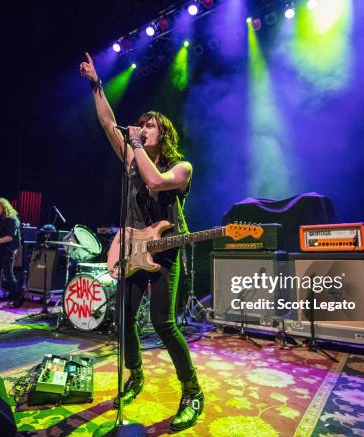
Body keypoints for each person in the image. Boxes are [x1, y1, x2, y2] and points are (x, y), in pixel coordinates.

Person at [79, 52, 203, 431]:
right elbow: (106, 122)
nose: (143, 129)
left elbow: (155, 182)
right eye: (142, 125)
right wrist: (96, 84)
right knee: (124, 319)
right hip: (134, 249)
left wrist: (133, 145)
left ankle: (192, 391)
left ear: (162, 135)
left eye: (150, 126)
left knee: (164, 323)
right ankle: (135, 374)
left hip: (166, 250)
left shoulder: (181, 167)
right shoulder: (131, 159)